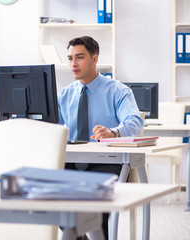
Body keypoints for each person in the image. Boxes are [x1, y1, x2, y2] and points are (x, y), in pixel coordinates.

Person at [57, 36, 143, 240]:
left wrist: (114, 132)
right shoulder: (64, 95)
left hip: (105, 162)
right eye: (69, 58)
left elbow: (134, 122)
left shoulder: (118, 91)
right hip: (70, 162)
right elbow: (54, 128)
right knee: (48, 199)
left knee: (97, 211)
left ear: (95, 59)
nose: (73, 64)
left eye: (79, 57)